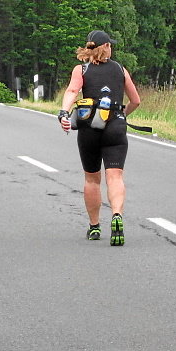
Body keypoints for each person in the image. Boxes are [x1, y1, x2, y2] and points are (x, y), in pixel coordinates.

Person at [58, 30, 140, 245]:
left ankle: (94, 227)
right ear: (106, 47)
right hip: (116, 125)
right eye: (110, 45)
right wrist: (122, 114)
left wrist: (64, 113)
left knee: (92, 179)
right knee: (115, 176)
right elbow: (136, 100)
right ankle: (117, 215)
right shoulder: (121, 69)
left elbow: (72, 91)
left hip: (89, 128)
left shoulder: (81, 69)